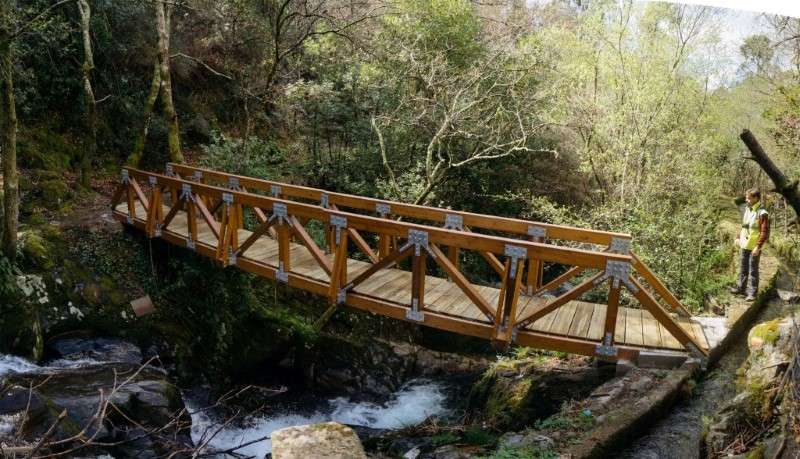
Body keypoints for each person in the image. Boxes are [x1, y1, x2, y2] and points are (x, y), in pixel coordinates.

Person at [730, 188, 770, 301]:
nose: (746, 200)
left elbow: (764, 232)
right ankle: (741, 288)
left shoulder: (762, 213)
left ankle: (752, 293)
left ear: (756, 198)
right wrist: (738, 237)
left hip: (754, 247)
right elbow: (745, 225)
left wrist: (758, 246)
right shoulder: (748, 209)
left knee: (753, 270)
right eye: (746, 197)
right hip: (744, 244)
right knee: (743, 268)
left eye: (749, 198)